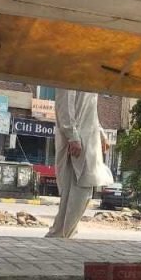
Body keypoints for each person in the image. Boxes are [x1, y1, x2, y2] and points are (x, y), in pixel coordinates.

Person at [46, 90, 114, 239]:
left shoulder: (89, 81)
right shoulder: (72, 74)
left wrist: (101, 133)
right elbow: (64, 107)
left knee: (82, 194)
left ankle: (63, 234)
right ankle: (60, 235)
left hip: (88, 140)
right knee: (74, 194)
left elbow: (91, 111)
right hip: (76, 144)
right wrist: (72, 136)